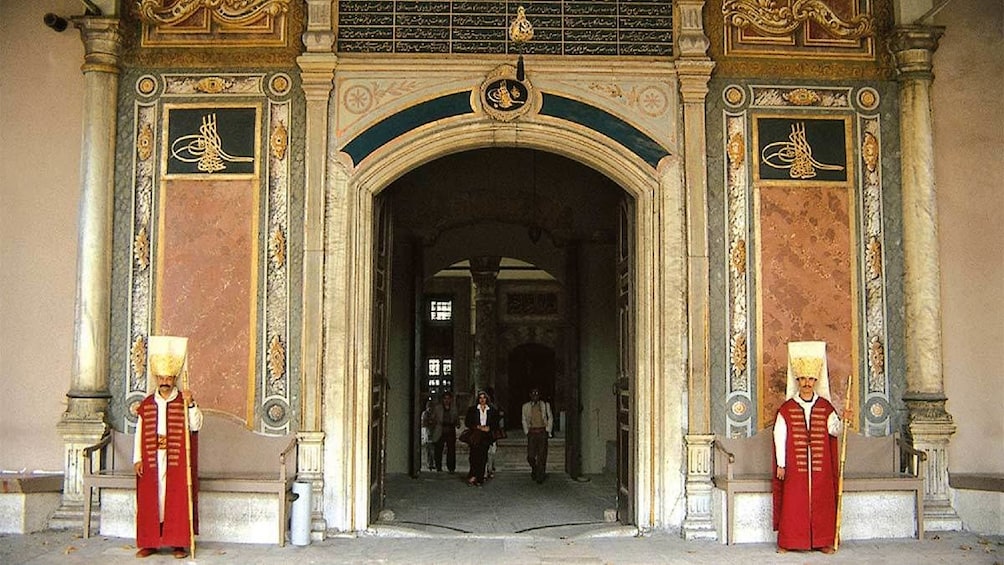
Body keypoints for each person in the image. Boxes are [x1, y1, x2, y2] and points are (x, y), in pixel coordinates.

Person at [772, 341, 851, 555]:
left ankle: (824, 540)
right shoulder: (786, 409)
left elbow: (833, 431)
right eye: (803, 379)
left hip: (820, 466)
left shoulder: (825, 407)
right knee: (793, 504)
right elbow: (780, 435)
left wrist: (843, 420)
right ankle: (789, 541)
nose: (807, 383)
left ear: (815, 381)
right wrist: (781, 463)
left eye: (810, 379)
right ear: (798, 381)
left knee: (822, 502)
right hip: (795, 467)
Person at [133, 336, 203, 559]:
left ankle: (178, 543)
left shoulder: (184, 400)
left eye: (169, 377)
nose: (165, 380)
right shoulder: (146, 404)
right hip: (151, 458)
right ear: (156, 378)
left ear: (174, 378)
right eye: (161, 377)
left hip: (176, 460)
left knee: (176, 499)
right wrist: (137, 458)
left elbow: (196, 425)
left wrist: (191, 404)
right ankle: (150, 542)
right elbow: (139, 433)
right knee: (151, 501)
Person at [463, 390, 500, 486]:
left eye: (484, 398)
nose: (482, 400)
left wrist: (489, 428)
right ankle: (473, 474)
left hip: (486, 436)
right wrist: (477, 426)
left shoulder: (492, 410)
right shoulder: (472, 410)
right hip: (475, 435)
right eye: (480, 398)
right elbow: (468, 422)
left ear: (487, 399)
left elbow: (496, 423)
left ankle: (480, 477)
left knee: (483, 456)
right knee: (474, 456)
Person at [521, 387, 554, 483]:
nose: (535, 395)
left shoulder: (544, 405)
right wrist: (526, 431)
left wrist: (548, 430)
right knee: (530, 456)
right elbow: (524, 419)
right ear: (530, 395)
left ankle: (540, 476)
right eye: (533, 393)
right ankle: (535, 469)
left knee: (542, 455)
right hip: (532, 432)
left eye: (537, 394)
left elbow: (550, 417)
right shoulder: (526, 406)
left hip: (542, 431)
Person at [432, 391, 459, 472]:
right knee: (438, 449)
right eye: (445, 398)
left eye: (448, 398)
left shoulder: (453, 408)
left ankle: (451, 467)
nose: (447, 400)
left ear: (450, 399)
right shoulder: (438, 408)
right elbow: (433, 418)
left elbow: (456, 419)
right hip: (441, 430)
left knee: (451, 450)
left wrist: (456, 423)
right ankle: (438, 466)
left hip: (450, 430)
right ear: (442, 399)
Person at [420, 398, 437, 471]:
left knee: (432, 450)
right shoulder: (425, 414)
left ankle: (431, 463)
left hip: (432, 432)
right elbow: (425, 423)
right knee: (429, 450)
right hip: (428, 432)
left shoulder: (432, 414)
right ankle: (429, 463)